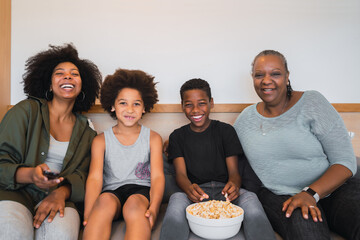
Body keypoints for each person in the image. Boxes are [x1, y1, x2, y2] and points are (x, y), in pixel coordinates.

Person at [233, 50, 360, 240]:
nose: (266, 80)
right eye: (259, 75)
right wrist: (175, 142)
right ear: (253, 78)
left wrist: (311, 194)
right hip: (282, 196)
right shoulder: (245, 120)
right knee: (307, 232)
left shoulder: (312, 102)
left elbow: (345, 161)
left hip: (334, 190)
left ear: (287, 76)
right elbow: (222, 146)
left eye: (275, 73)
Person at [0, 43, 102, 239]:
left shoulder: (86, 130)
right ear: (49, 84)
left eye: (74, 73)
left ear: (82, 85)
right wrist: (31, 175)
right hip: (14, 193)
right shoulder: (25, 111)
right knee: (13, 232)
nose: (68, 76)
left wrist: (61, 193)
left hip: (59, 199)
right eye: (59, 73)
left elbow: (85, 175)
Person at [160, 78, 275, 240]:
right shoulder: (177, 136)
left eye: (201, 103)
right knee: (175, 200)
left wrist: (234, 184)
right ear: (182, 106)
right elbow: (180, 174)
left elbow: (234, 171)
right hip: (195, 193)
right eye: (188, 104)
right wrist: (189, 188)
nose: (195, 110)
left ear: (211, 103)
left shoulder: (225, 131)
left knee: (252, 200)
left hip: (225, 192)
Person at [82, 69, 165, 240]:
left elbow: (157, 177)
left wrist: (154, 208)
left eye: (136, 104)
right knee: (104, 203)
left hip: (140, 192)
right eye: (123, 103)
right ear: (112, 106)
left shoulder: (153, 138)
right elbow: (95, 179)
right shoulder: (100, 141)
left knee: (134, 206)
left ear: (144, 108)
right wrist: (88, 213)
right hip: (111, 192)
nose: (130, 109)